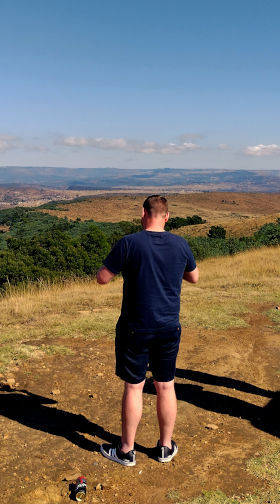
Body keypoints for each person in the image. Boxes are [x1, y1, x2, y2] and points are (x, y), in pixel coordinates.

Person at [96, 195, 199, 466]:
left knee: (134, 387)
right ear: (167, 216)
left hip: (135, 328)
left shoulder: (129, 243)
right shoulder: (180, 243)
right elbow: (194, 276)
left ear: (143, 213)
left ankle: (126, 450)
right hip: (168, 326)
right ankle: (165, 447)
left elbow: (102, 278)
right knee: (165, 386)